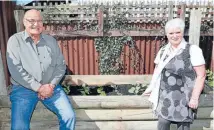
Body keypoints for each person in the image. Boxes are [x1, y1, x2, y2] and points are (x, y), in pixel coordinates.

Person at [6, 9, 76, 130]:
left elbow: (60, 66)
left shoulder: (51, 41)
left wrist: (51, 86)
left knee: (69, 116)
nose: (36, 24)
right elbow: (16, 71)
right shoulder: (15, 41)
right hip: (23, 89)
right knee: (18, 127)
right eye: (31, 21)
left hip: (50, 87)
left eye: (39, 21)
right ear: (24, 22)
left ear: (43, 24)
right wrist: (39, 88)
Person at [143, 18, 206, 130]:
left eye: (178, 32)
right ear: (167, 35)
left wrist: (195, 98)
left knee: (183, 127)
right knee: (163, 124)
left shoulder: (193, 50)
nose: (174, 36)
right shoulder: (163, 51)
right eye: (171, 33)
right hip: (165, 99)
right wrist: (152, 89)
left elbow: (201, 75)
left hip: (185, 99)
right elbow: (157, 72)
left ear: (183, 33)